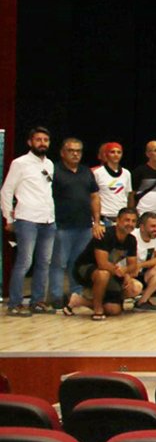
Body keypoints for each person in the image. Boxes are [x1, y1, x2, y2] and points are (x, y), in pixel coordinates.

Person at [1, 127, 57, 315]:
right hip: (27, 219)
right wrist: (8, 217)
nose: (42, 143)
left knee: (44, 262)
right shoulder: (20, 163)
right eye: (38, 139)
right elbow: (6, 191)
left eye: (46, 140)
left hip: (48, 220)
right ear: (29, 142)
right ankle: (15, 303)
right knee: (25, 261)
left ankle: (38, 301)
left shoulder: (49, 164)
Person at [64, 207, 141, 320]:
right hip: (85, 268)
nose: (130, 224)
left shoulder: (131, 240)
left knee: (118, 306)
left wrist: (126, 272)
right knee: (103, 274)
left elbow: (133, 265)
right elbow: (102, 264)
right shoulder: (105, 234)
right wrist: (123, 274)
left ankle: (80, 300)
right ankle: (97, 308)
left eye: (133, 221)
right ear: (118, 220)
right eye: (127, 220)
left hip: (111, 271)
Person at [50, 137, 101, 310]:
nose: (75, 154)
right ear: (62, 153)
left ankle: (75, 295)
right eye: (71, 151)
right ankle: (56, 297)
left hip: (84, 226)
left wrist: (97, 221)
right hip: (61, 225)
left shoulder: (86, 172)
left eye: (78, 151)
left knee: (78, 263)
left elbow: (94, 196)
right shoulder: (54, 171)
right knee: (59, 263)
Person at [129, 211, 156, 310]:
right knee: (136, 288)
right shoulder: (132, 236)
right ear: (142, 227)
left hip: (142, 271)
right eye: (153, 226)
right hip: (128, 272)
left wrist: (140, 265)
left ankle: (143, 301)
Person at [92, 142, 131, 226]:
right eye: (112, 152)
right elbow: (93, 197)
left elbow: (128, 195)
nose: (116, 155)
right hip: (104, 218)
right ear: (106, 154)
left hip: (122, 218)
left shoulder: (126, 173)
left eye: (119, 152)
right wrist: (96, 221)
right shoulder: (97, 173)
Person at [131, 140, 156, 222]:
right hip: (143, 216)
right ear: (148, 154)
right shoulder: (139, 171)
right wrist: (132, 213)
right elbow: (131, 194)